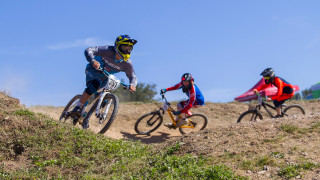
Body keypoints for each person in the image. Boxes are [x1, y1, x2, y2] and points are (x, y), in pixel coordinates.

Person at [70, 35, 138, 128]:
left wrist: (132, 84)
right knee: (94, 85)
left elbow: (132, 76)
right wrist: (93, 60)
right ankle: (78, 107)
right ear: (117, 46)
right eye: (124, 47)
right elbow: (88, 50)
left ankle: (86, 118)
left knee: (102, 101)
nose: (127, 51)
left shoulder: (127, 64)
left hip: (105, 77)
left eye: (129, 48)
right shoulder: (108, 50)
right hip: (93, 70)